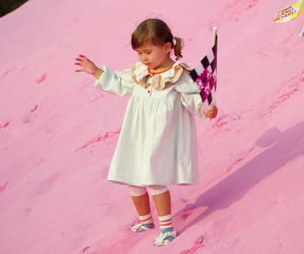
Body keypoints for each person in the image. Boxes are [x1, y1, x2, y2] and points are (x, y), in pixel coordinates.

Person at [74, 18, 218, 246]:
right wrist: (96, 71)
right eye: (139, 53)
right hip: (137, 132)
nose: (143, 58)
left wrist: (205, 110)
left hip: (161, 136)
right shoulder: (140, 71)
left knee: (154, 178)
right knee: (133, 178)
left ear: (167, 47)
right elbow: (119, 83)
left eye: (148, 52)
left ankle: (167, 228)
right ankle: (145, 220)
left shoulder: (179, 75)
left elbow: (194, 99)